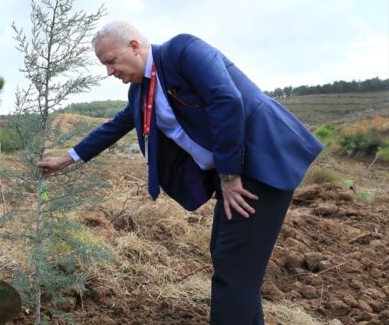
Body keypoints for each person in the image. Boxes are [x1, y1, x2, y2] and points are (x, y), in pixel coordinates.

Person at [39, 21, 323, 324]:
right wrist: (65, 160)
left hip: (262, 159)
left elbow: (226, 99)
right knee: (229, 260)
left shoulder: (183, 51)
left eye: (111, 61)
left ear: (134, 46)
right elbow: (113, 127)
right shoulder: (139, 92)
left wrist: (229, 175)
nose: (109, 71)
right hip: (240, 170)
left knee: (233, 266)